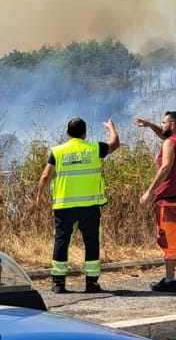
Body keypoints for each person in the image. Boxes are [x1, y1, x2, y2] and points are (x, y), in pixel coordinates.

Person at [36, 117, 119, 294]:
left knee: (61, 241)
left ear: (67, 133)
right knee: (91, 242)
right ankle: (91, 283)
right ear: (85, 133)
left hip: (64, 206)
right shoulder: (94, 148)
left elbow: (45, 177)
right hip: (89, 206)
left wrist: (39, 197)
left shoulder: (57, 151)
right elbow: (115, 144)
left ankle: (59, 283)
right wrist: (111, 128)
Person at [136, 111, 176, 293]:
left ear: (173, 125)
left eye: (164, 123)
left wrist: (150, 191)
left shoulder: (170, 143)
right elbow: (166, 137)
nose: (161, 126)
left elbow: (166, 166)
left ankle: (170, 280)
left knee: (168, 242)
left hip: (167, 202)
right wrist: (150, 125)